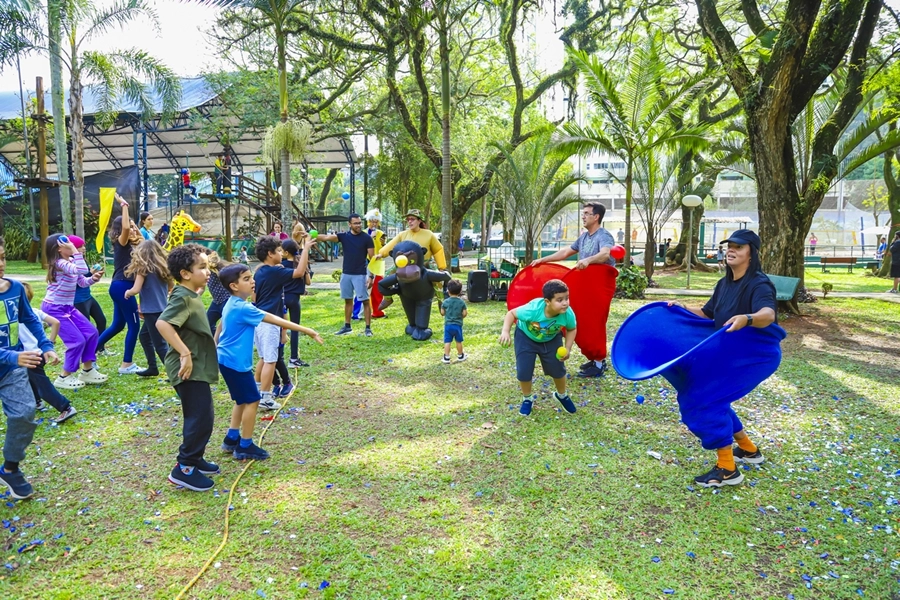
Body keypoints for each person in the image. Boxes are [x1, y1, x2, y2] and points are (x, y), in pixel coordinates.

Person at [668, 229, 777, 487]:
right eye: (729, 245)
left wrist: (747, 318)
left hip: (755, 354)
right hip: (730, 353)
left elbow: (768, 314)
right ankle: (748, 449)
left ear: (751, 253)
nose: (731, 250)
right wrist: (680, 308)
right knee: (715, 396)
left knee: (702, 399)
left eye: (739, 247)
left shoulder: (759, 283)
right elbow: (708, 313)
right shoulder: (724, 283)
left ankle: (728, 469)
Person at [215, 264, 323, 461]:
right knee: (253, 400)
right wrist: (307, 330)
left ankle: (231, 439)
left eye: (251, 277)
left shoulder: (231, 302)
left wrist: (215, 344)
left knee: (242, 399)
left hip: (226, 359)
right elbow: (274, 319)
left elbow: (221, 325)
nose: (252, 281)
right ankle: (245, 446)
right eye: (246, 279)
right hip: (236, 363)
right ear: (234, 286)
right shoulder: (243, 308)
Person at [155, 244, 220, 492]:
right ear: (184, 273)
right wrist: (184, 353)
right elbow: (163, 324)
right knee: (199, 416)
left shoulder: (190, 293)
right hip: (187, 367)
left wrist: (198, 289)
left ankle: (196, 458)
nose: (208, 272)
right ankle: (184, 468)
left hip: (198, 365)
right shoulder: (182, 297)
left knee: (203, 414)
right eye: (201, 268)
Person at [0, 235, 60, 499]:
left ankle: (10, 469)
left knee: (25, 413)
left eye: (2, 257)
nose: (0, 263)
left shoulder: (14, 288)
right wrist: (15, 357)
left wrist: (46, 345)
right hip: (13, 361)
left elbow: (29, 319)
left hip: (10, 370)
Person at [530, 201, 616, 378]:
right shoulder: (584, 237)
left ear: (596, 216)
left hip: (599, 286)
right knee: (580, 320)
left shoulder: (604, 235)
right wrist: (543, 260)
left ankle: (599, 363)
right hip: (586, 286)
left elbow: (606, 254)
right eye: (583, 213)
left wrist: (588, 260)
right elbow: (564, 253)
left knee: (595, 322)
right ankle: (594, 358)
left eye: (586, 213)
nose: (583, 216)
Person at [251, 235, 315, 410]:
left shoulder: (261, 271)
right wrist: (306, 249)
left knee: (264, 359)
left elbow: (254, 296)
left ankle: (256, 393)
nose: (281, 253)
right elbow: (299, 273)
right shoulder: (275, 271)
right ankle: (265, 397)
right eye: (279, 251)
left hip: (259, 320)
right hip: (269, 322)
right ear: (271, 254)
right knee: (271, 361)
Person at [498, 279, 577, 416]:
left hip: (551, 338)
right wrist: (505, 331)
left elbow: (571, 329)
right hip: (526, 337)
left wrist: (568, 348)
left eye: (567, 298)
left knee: (558, 369)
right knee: (524, 370)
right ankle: (527, 398)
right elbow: (511, 314)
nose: (565, 303)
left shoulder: (567, 313)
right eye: (559, 300)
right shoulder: (533, 309)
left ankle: (561, 395)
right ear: (547, 301)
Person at [40, 234, 107, 390]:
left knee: (91, 332)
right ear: (59, 248)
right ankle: (64, 376)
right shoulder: (59, 263)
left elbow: (82, 281)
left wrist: (93, 279)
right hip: (54, 308)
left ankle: (87, 370)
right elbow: (82, 270)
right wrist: (75, 251)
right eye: (67, 243)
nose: (71, 244)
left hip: (67, 307)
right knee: (77, 341)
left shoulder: (68, 262)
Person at [97, 196, 144, 374]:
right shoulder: (121, 242)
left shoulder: (132, 243)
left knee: (117, 325)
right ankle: (126, 364)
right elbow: (124, 227)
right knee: (134, 326)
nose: (131, 229)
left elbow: (140, 234)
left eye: (133, 226)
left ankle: (88, 354)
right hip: (123, 287)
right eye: (129, 226)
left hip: (119, 286)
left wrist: (134, 226)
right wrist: (124, 206)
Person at [21, 283, 78, 424]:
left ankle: (65, 407)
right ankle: (37, 403)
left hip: (29, 356)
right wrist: (50, 343)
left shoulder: (14, 317)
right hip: (40, 353)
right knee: (32, 379)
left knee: (42, 385)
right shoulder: (34, 311)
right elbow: (56, 323)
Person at [317, 214, 376, 336]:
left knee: (365, 301)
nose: (359, 225)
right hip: (346, 274)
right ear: (349, 224)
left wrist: (371, 276)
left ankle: (368, 328)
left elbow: (373, 259)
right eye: (355, 223)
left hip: (360, 274)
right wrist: (311, 236)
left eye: (360, 223)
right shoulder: (344, 237)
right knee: (348, 301)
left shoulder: (366, 238)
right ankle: (347, 326)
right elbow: (327, 237)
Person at [124, 240, 173, 378]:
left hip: (151, 311)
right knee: (144, 336)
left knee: (160, 344)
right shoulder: (163, 268)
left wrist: (128, 293)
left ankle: (175, 374)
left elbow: (136, 289)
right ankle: (152, 367)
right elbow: (171, 287)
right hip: (163, 309)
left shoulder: (143, 269)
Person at [70, 236, 109, 354]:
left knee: (101, 320)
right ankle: (88, 355)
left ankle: (100, 348)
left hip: (88, 297)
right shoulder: (69, 262)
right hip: (78, 300)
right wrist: (90, 273)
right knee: (86, 329)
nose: (84, 248)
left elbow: (84, 278)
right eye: (81, 246)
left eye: (83, 246)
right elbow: (76, 282)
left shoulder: (81, 259)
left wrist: (92, 275)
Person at [378, 209, 447, 269]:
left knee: (436, 282)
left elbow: (438, 250)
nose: (409, 221)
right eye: (408, 219)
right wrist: (381, 254)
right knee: (388, 277)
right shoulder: (402, 234)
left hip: (425, 266)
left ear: (419, 221)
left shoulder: (429, 234)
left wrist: (442, 267)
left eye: (412, 219)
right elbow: (391, 245)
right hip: (405, 266)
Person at [281, 238, 311, 368]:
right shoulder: (302, 263)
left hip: (281, 298)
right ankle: (293, 358)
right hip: (295, 299)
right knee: (294, 329)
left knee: (280, 328)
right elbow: (308, 282)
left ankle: (278, 357)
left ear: (286, 252)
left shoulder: (280, 264)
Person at [352, 209, 386, 320]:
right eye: (371, 221)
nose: (374, 223)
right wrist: (371, 237)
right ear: (368, 221)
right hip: (366, 263)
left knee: (378, 288)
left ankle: (377, 311)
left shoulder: (382, 234)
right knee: (364, 287)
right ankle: (356, 313)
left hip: (378, 263)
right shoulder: (363, 234)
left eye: (376, 221)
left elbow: (384, 248)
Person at [440, 279, 468, 364]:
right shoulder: (461, 302)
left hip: (448, 325)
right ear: (460, 291)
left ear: (448, 291)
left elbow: (442, 313)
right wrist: (461, 316)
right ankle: (460, 355)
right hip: (458, 325)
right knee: (458, 341)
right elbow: (464, 313)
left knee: (447, 341)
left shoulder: (445, 302)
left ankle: (446, 357)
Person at [205, 252, 231, 334]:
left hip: (226, 300)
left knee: (228, 325)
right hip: (216, 302)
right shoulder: (206, 272)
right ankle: (216, 341)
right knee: (207, 323)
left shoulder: (220, 271)